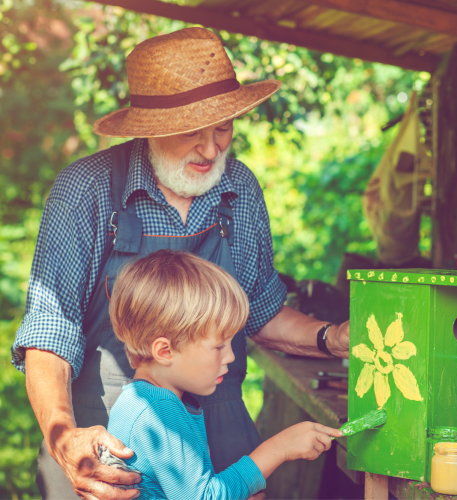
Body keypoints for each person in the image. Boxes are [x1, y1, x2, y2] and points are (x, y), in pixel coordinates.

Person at [11, 27, 349, 499]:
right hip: (107, 439)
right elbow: (50, 331)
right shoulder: (87, 190)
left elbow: (262, 310)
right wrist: (65, 437)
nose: (212, 150)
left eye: (223, 128)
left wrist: (331, 338)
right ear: (149, 127)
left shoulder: (240, 189)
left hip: (220, 425)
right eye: (192, 132)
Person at [106, 249, 341, 498]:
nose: (230, 357)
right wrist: (278, 449)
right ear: (165, 351)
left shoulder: (138, 401)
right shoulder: (159, 410)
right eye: (219, 346)